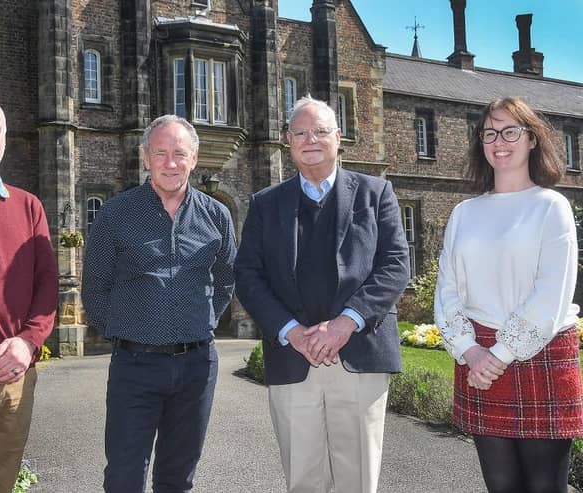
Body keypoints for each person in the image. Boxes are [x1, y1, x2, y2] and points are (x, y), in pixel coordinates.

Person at [234, 96, 410, 493]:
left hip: (359, 353)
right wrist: (292, 331)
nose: (310, 139)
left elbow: (395, 265)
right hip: (293, 357)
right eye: (300, 132)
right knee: (304, 478)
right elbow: (247, 275)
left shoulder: (376, 192)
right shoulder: (265, 204)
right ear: (287, 140)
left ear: (338, 138)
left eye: (320, 131)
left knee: (358, 479)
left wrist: (345, 323)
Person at [435, 97, 583, 493]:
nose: (499, 141)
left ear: (532, 138)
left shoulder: (552, 206)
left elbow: (551, 294)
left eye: (510, 131)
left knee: (545, 488)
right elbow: (447, 289)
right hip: (478, 357)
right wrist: (470, 351)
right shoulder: (465, 212)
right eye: (490, 133)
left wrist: (496, 356)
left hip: (541, 354)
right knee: (501, 488)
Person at [81, 114, 236, 493]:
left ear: (194, 158)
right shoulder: (116, 213)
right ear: (146, 158)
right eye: (161, 153)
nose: (171, 163)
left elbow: (227, 277)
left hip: (197, 366)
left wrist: (201, 323)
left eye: (179, 153)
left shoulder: (217, 215)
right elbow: (95, 285)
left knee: (178, 477)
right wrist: (126, 328)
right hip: (135, 365)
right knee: (123, 477)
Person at [0, 96, 58, 493]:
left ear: (5, 139)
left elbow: (47, 284)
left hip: (18, 377)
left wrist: (26, 344)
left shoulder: (29, 206)